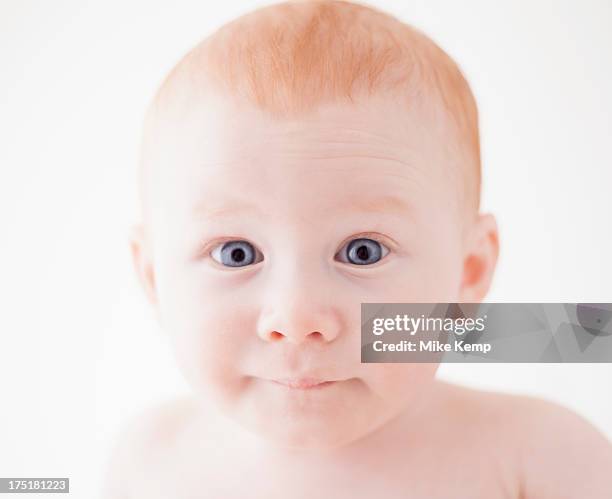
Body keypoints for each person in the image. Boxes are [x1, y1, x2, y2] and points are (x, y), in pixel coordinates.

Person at [102, 1, 612, 497]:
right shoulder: (148, 462)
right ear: (153, 278)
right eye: (236, 253)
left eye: (363, 251)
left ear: (469, 271)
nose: (297, 318)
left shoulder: (539, 459)